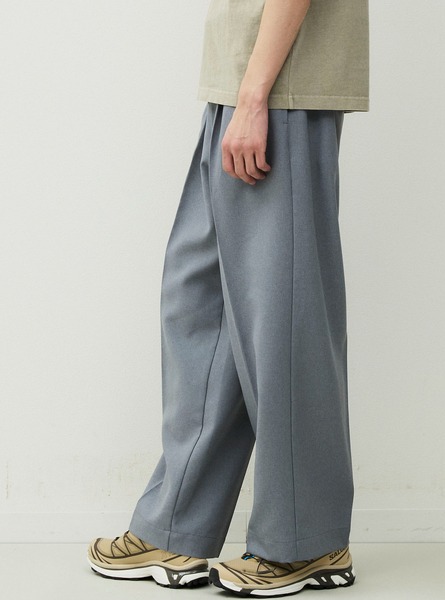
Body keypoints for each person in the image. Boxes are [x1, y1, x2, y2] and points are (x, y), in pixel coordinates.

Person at [87, 0, 369, 596]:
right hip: (241, 86)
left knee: (281, 321)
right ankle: (177, 526)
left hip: (279, 91)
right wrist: (242, 94)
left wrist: (255, 95)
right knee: (201, 308)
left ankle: (307, 541)